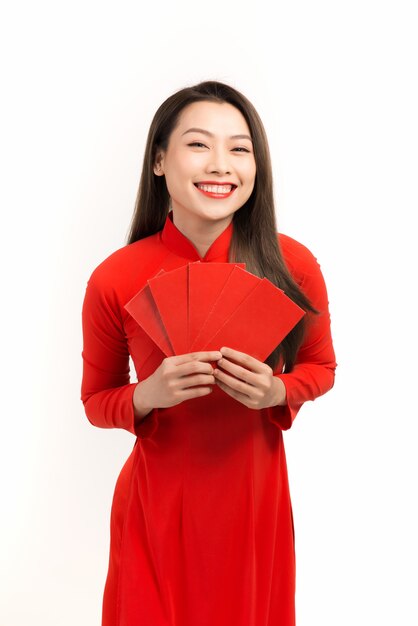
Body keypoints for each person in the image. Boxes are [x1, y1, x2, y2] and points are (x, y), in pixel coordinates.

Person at [80, 80, 337, 626]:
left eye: (239, 149)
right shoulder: (114, 277)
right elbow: (96, 399)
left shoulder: (294, 266)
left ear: (256, 166)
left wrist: (276, 390)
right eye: (199, 144)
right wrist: (146, 395)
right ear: (158, 160)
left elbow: (321, 367)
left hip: (252, 509)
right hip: (154, 512)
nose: (221, 164)